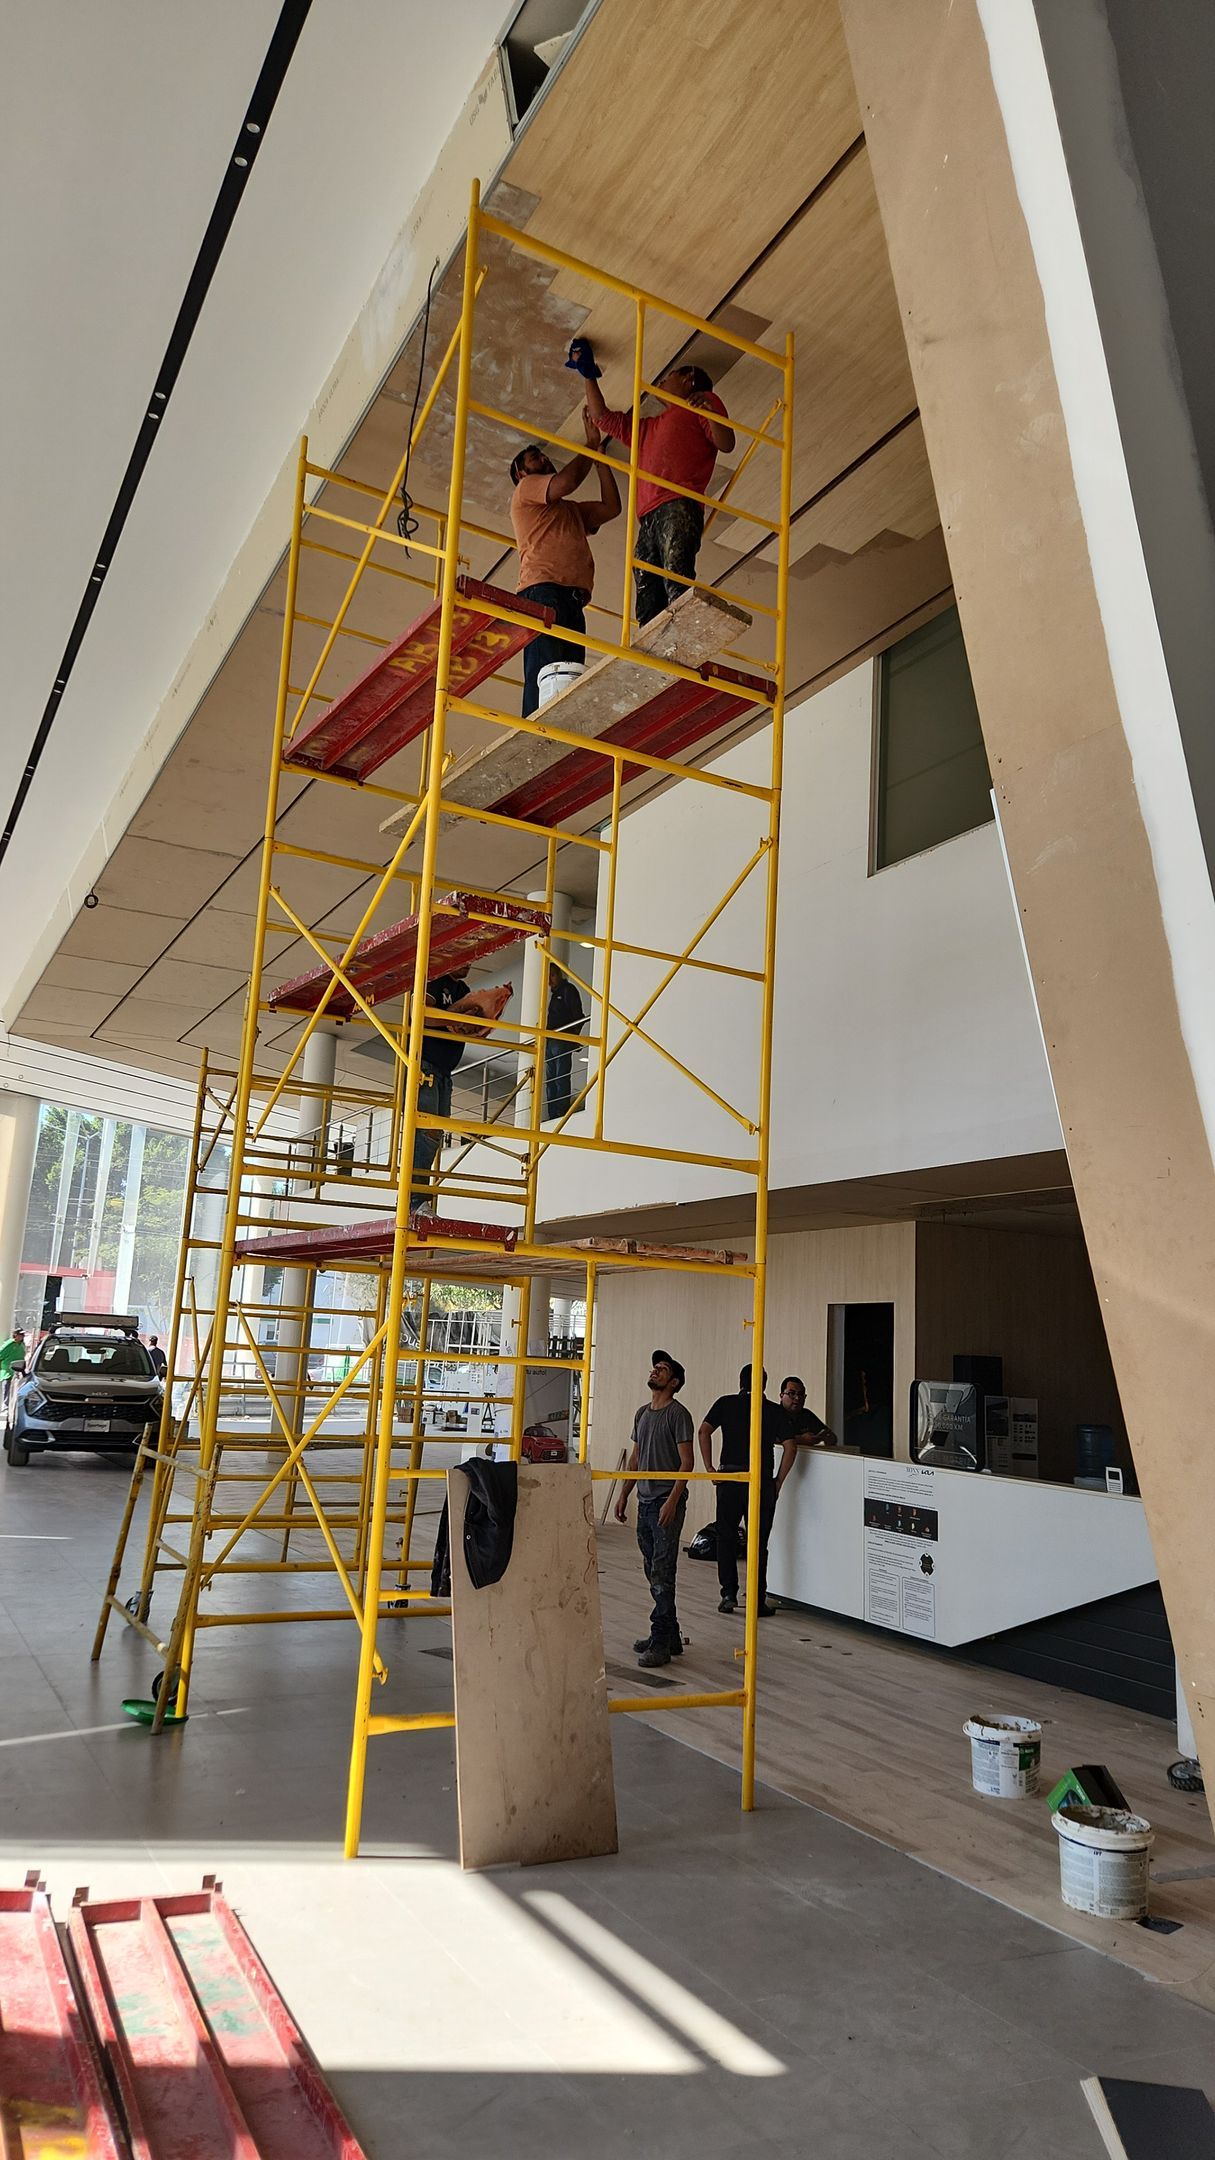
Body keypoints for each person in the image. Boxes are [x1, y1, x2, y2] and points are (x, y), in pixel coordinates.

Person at [585, 362, 734, 626]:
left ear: (689, 378)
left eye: (670, 375)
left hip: (678, 504)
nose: (662, 381)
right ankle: (651, 633)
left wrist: (711, 413)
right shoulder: (649, 427)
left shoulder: (700, 403)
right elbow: (602, 418)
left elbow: (727, 443)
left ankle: (684, 625)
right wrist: (588, 374)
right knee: (645, 581)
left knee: (676, 569)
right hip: (648, 516)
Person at [509, 405, 620, 717]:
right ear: (521, 473)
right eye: (535, 457)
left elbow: (611, 508)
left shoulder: (568, 510)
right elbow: (567, 482)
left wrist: (600, 460)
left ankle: (556, 731)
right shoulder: (525, 491)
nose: (544, 459)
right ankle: (534, 728)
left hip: (571, 599)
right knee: (544, 671)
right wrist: (589, 444)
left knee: (566, 678)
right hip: (542, 592)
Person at [613, 1348, 693, 1667]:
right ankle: (670, 1634)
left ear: (674, 1383)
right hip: (644, 1501)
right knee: (652, 1569)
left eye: (663, 1369)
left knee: (662, 1570)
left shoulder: (678, 1415)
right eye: (655, 1367)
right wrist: (624, 1494)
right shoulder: (641, 1414)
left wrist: (672, 1501)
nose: (655, 1370)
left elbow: (687, 1463)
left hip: (664, 1502)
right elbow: (635, 1459)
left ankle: (660, 1641)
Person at [698, 1365, 798, 1617]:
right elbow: (791, 1447)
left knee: (726, 1537)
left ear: (740, 1382)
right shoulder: (774, 1410)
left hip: (730, 1478)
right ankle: (756, 1600)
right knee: (758, 1542)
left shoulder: (725, 1403)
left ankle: (728, 1594)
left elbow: (703, 1431)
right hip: (761, 1481)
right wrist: (778, 1481)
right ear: (764, 1384)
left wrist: (710, 1468)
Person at [411, 973, 513, 1210]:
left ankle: (417, 1197)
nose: (468, 965)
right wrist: (455, 1020)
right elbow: (421, 1013)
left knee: (433, 1136)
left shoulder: (462, 989)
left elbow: (471, 1024)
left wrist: (487, 1012)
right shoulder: (434, 980)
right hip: (424, 1066)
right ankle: (415, 1199)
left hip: (444, 1071)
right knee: (425, 1133)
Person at [544, 963, 584, 1121]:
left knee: (560, 1076)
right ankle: (553, 1112)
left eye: (552, 975)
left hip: (561, 1038)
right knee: (552, 1078)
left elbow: (578, 1015)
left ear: (559, 974)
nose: (550, 980)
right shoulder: (554, 994)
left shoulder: (568, 990)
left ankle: (559, 1111)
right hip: (551, 1038)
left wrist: (573, 1037)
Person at [778, 1375, 836, 1448]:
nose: (797, 1398)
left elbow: (830, 1435)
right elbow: (770, 1437)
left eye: (801, 1394)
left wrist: (826, 1437)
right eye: (791, 1393)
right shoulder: (774, 1413)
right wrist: (801, 1439)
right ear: (781, 1396)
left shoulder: (806, 1415)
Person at [0, 1326, 26, 1420]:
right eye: (20, 1335)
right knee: (6, 1388)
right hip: (8, 1371)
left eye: (23, 1335)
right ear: (15, 1335)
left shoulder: (22, 1345)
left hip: (18, 1371)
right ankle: (5, 1407)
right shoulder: (9, 1344)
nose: (22, 1336)